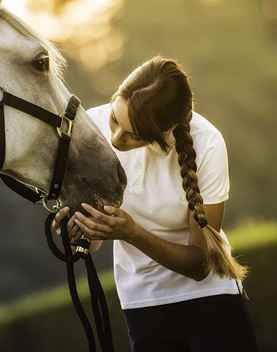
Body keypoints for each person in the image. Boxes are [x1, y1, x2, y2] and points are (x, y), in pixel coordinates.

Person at [52, 56, 258, 351]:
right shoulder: (89, 129)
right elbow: (95, 239)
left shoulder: (207, 144)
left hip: (211, 301)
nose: (115, 138)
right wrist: (84, 227)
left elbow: (199, 265)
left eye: (133, 135)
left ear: (167, 131)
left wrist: (131, 232)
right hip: (142, 303)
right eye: (114, 118)